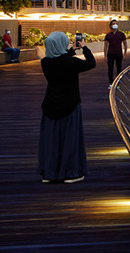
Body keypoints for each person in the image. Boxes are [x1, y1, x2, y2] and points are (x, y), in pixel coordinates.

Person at [38, 31, 95, 184]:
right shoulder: (71, 63)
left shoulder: (45, 62)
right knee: (70, 138)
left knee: (51, 140)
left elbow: (59, 58)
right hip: (70, 103)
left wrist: (71, 50)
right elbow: (91, 63)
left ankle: (49, 173)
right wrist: (84, 48)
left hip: (50, 104)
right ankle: (71, 172)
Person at [103, 20, 127, 86]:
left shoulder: (121, 34)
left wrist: (124, 54)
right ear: (110, 25)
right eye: (113, 24)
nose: (115, 25)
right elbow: (105, 45)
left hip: (119, 53)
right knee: (110, 68)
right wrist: (105, 56)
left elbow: (125, 44)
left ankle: (118, 83)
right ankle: (111, 83)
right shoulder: (108, 35)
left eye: (116, 23)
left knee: (119, 68)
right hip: (110, 54)